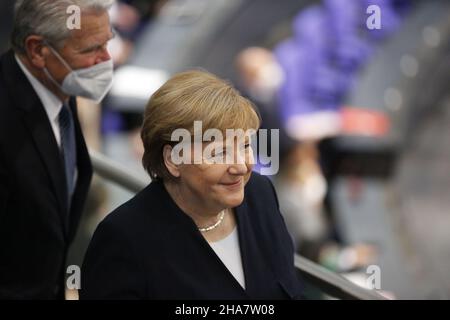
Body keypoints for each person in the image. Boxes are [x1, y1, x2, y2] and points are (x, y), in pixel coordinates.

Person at [80, 70, 303, 299]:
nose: (241, 166)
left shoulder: (259, 193)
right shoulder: (124, 239)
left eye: (245, 145)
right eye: (220, 152)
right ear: (173, 160)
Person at [0, 0, 115, 299]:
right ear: (38, 50)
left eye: (107, 44)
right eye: (91, 50)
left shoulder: (59, 86)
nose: (105, 60)